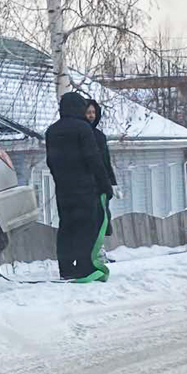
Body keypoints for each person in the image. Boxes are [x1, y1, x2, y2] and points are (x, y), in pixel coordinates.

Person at [45, 91, 113, 282]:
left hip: (63, 190)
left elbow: (51, 161)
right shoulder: (83, 129)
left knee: (66, 227)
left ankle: (66, 269)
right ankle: (84, 268)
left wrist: (61, 179)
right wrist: (105, 185)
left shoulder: (51, 131)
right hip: (85, 188)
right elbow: (93, 159)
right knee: (86, 228)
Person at [85, 99, 119, 238]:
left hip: (101, 186)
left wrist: (112, 182)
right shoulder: (80, 135)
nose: (91, 115)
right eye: (88, 112)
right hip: (87, 186)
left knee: (102, 218)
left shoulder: (100, 136)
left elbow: (106, 161)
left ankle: (99, 249)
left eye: (93, 112)